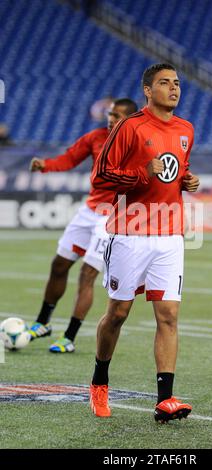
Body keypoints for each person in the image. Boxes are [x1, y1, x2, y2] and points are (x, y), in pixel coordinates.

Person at [89, 63, 200, 422]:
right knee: (118, 314)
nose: (173, 88)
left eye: (177, 83)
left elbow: (173, 171)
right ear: (148, 91)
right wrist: (142, 173)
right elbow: (102, 174)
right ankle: (99, 381)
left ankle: (165, 399)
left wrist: (184, 180)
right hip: (129, 234)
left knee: (168, 316)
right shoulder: (129, 126)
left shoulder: (186, 129)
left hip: (170, 236)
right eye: (164, 83)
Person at [28, 98, 138, 353]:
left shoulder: (136, 144)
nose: (111, 118)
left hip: (111, 217)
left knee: (87, 274)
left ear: (129, 120)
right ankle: (43, 322)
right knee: (59, 265)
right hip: (88, 211)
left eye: (118, 115)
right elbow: (69, 159)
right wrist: (45, 165)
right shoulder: (95, 137)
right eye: (111, 114)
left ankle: (69, 337)